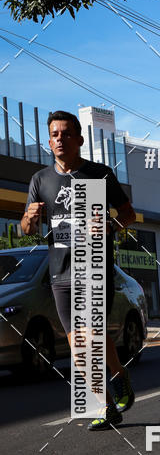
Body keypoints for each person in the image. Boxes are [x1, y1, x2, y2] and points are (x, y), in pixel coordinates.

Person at [21, 111, 137, 428]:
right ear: (49, 142)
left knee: (92, 335)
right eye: (55, 134)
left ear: (79, 139)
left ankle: (118, 375)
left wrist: (110, 226)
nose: (60, 139)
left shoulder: (99, 174)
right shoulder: (40, 180)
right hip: (60, 273)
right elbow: (26, 229)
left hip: (94, 265)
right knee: (79, 345)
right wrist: (29, 219)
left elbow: (128, 214)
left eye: (66, 133)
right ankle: (107, 405)